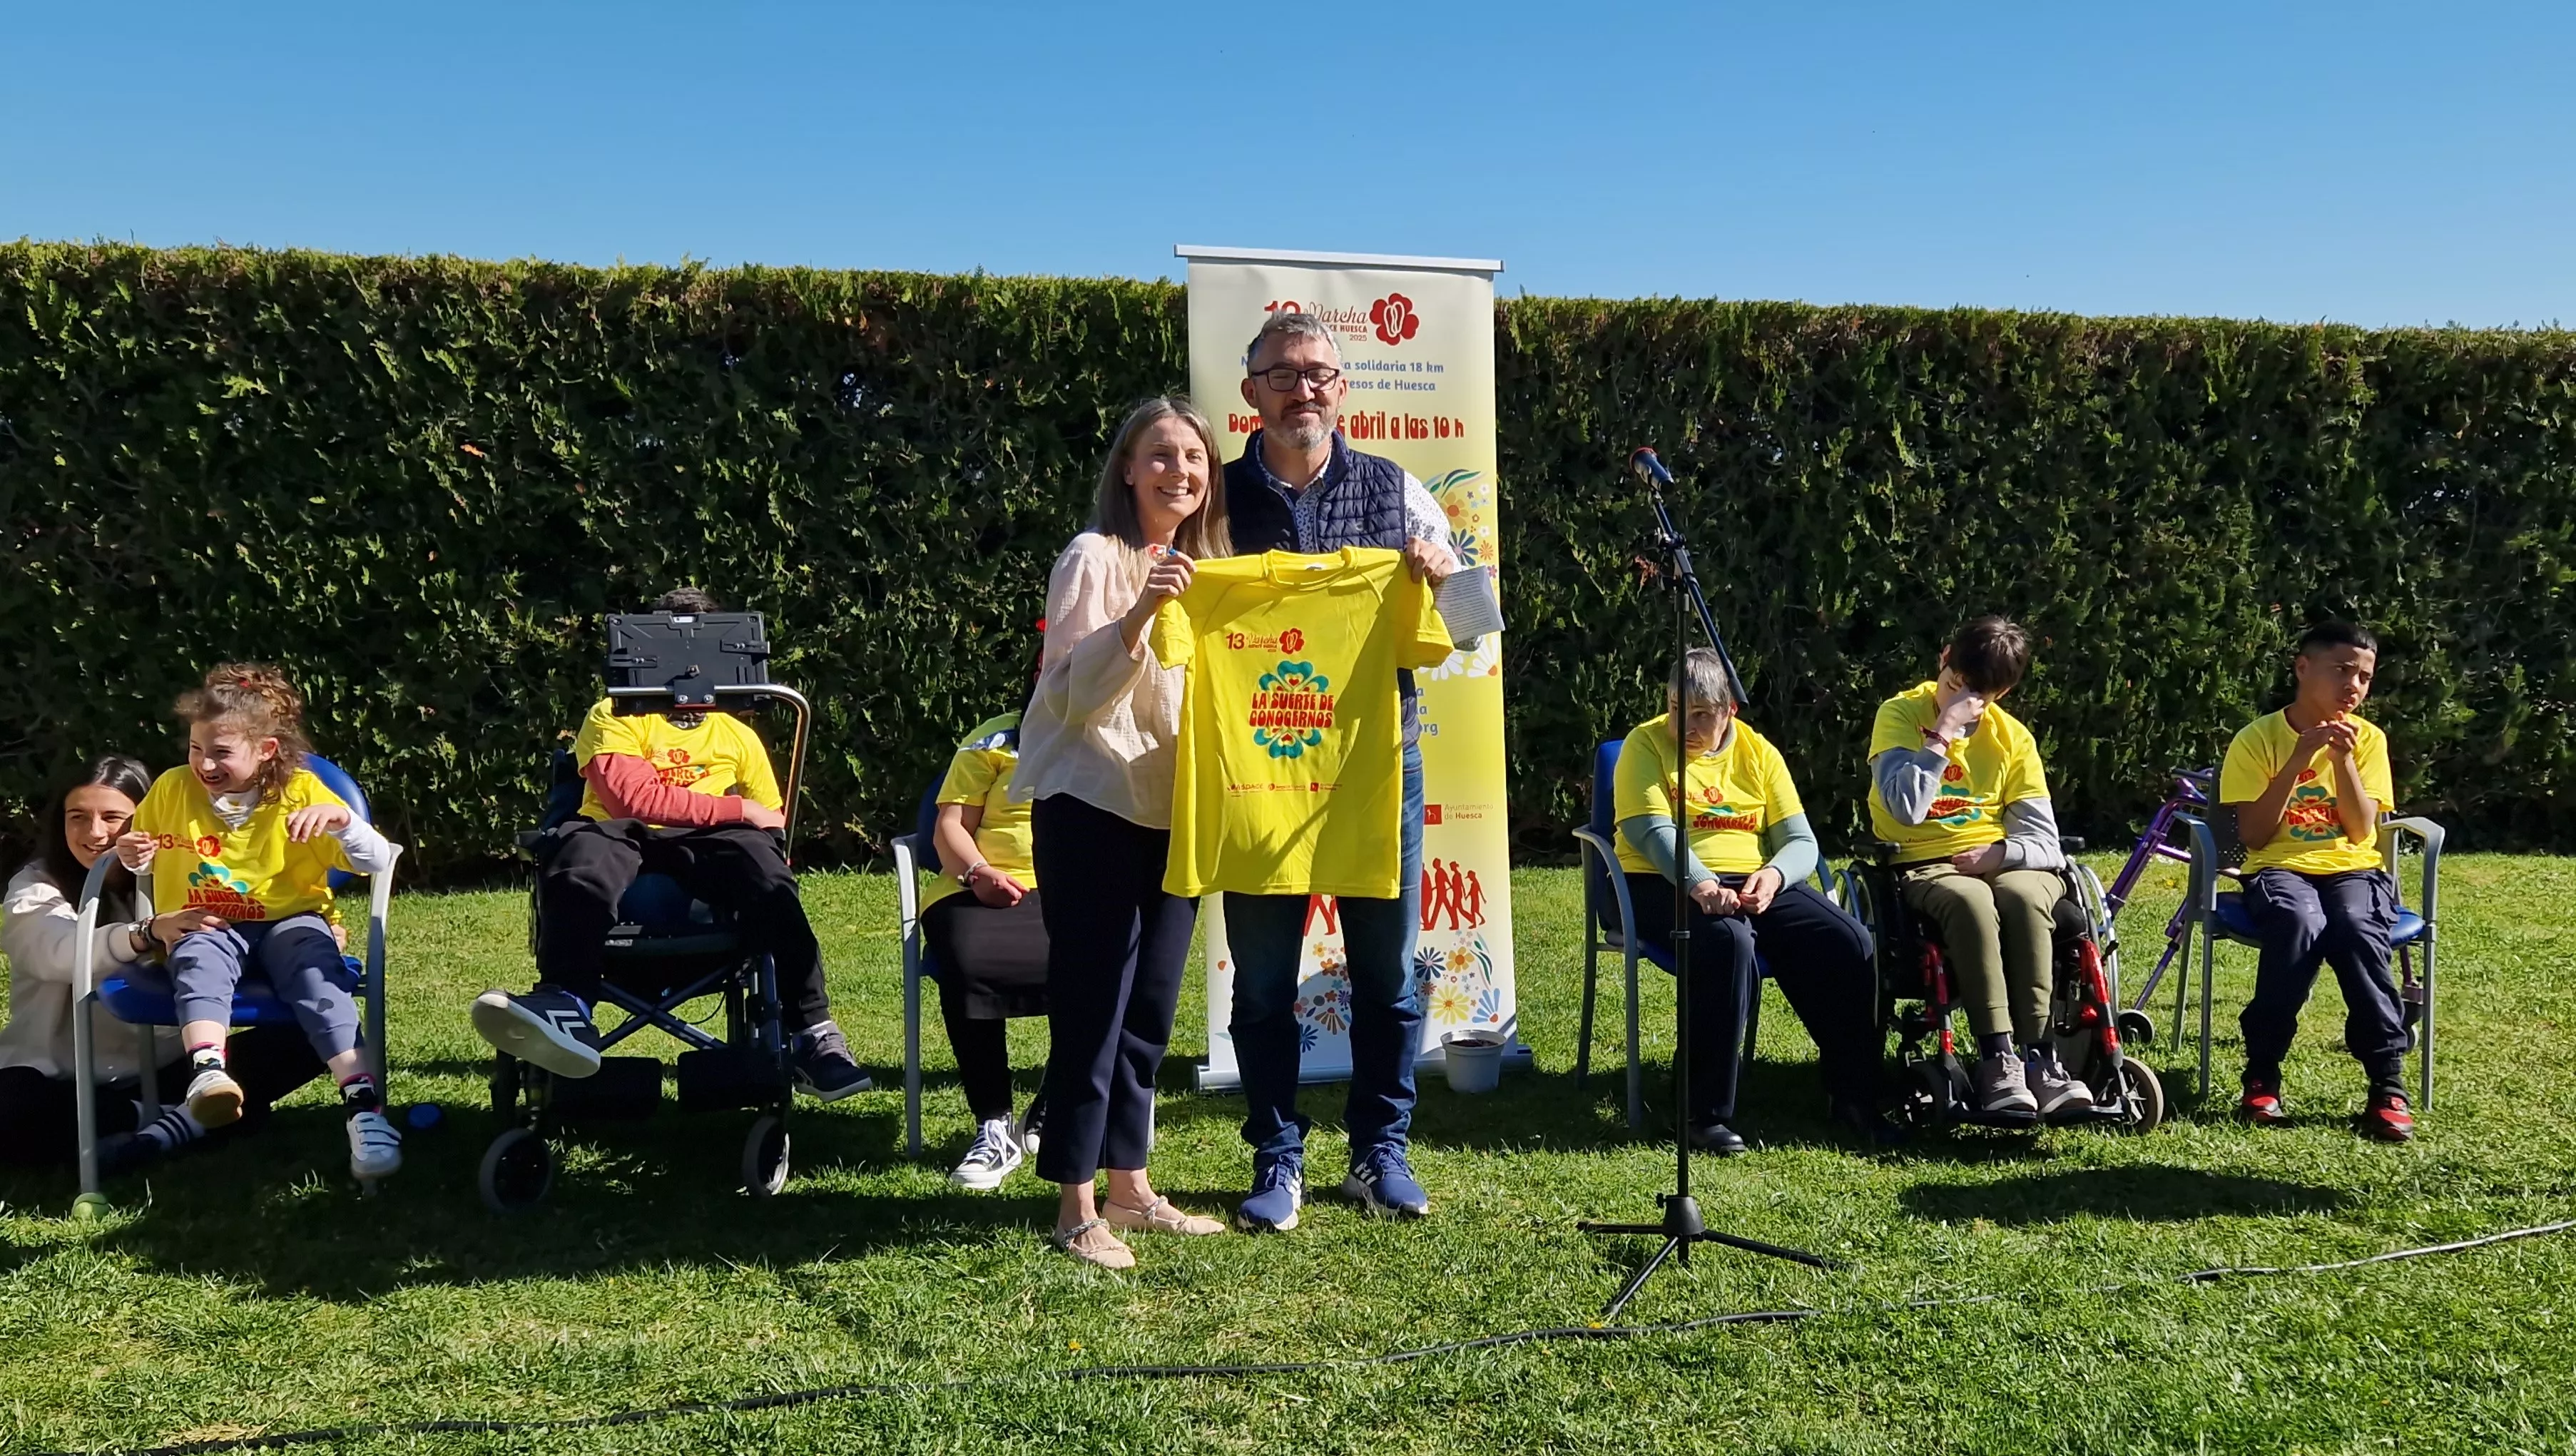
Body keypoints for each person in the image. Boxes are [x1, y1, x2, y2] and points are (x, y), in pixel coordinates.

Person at [1221, 310, 1460, 1232]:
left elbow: (1473, 618)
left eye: (1317, 373)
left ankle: (1378, 1151)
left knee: (1386, 977)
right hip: (1259, 775)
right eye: (1281, 374)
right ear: (1250, 393)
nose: (1301, 389)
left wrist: (1443, 573)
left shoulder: (1395, 489)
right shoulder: (1213, 504)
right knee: (1261, 982)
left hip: (1375, 770)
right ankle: (1275, 1156)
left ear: (1341, 387)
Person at [468, 587, 870, 1102]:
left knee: (769, 879)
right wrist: (737, 810)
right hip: (618, 829)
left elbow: (771, 822)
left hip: (710, 841)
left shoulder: (736, 734)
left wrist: (747, 824)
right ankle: (565, 1003)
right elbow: (631, 799)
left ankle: (813, 1033)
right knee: (579, 856)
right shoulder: (614, 714)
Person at [1013, 395, 1233, 1268]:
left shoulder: (1213, 568)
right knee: (1091, 1007)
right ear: (1127, 470)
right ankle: (1074, 1204)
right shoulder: (1093, 557)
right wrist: (1139, 610)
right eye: (1161, 455)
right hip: (1091, 805)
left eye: (1194, 458)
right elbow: (1064, 692)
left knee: (1147, 1013)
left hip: (1174, 813)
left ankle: (1130, 1187)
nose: (1180, 471)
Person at [113, 667, 403, 1180]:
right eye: (195, 748)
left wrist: (343, 824)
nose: (204, 763)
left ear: (266, 749)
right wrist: (133, 853)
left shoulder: (300, 791)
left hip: (292, 919)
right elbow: (146, 858)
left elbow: (377, 859)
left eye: (222, 752)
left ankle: (364, 1107)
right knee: (197, 950)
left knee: (316, 975)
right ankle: (208, 1075)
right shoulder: (172, 789)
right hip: (208, 919)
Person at [1617, 650, 1894, 1150]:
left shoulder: (1758, 752)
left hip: (1750, 879)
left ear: (1730, 711)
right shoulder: (1644, 744)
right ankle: (1699, 1113)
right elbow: (1648, 830)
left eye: (1702, 713)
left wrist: (1773, 875)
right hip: (1659, 882)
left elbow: (1800, 841)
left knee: (1847, 939)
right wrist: (1701, 884)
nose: (1687, 724)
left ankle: (1855, 1093)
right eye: (1678, 707)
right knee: (1727, 942)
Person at [2, 755, 325, 1172]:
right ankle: (174, 1121)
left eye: (114, 818)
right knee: (11, 1107)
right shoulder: (36, 885)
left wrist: (317, 931)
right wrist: (147, 933)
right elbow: (57, 953)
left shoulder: (185, 874)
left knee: (311, 1032)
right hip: (58, 1076)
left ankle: (165, 1122)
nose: (94, 833)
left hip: (168, 1063)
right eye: (77, 816)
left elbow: (245, 935)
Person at [1866, 616, 2088, 1120]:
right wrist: (1941, 734)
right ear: (1944, 657)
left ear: (2002, 692)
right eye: (1952, 684)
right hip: (1923, 860)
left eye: (1978, 695)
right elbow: (1904, 808)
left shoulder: (2013, 739)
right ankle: (1997, 1058)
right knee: (1972, 899)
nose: (1961, 699)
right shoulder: (1899, 714)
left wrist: (1998, 855)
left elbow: (2042, 841)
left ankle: (2041, 1058)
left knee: (2025, 895)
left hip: (1999, 856)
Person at [2219, 622, 2413, 1141]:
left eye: (2364, 677)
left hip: (2352, 868)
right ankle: (2262, 1073)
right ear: (2303, 668)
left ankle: (2386, 1086)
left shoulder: (2368, 740)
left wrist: (2342, 760)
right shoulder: (2257, 738)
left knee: (2353, 926)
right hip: (2278, 867)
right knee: (2297, 919)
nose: (2353, 686)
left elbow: (2359, 830)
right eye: (2342, 670)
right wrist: (2300, 757)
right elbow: (2255, 835)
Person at [923, 707, 1049, 1189]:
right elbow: (949, 826)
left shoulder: (1108, 731)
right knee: (968, 958)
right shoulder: (992, 738)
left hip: (1075, 888)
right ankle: (994, 1125)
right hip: (980, 884)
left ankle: (1053, 1106)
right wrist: (977, 873)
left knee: (1094, 964)